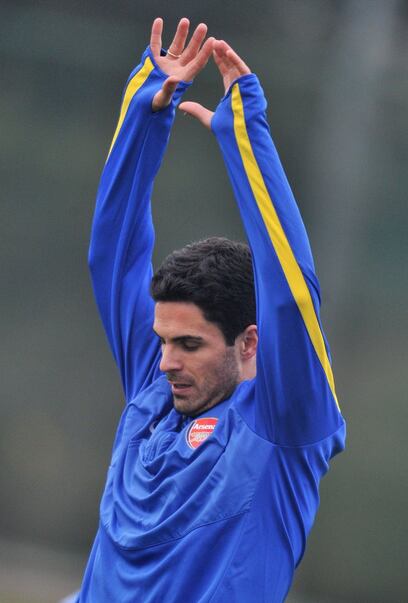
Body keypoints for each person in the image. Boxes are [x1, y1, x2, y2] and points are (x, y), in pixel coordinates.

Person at [74, 17, 346, 603]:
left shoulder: (286, 424)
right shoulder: (154, 385)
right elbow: (112, 255)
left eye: (189, 345)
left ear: (249, 342)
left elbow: (291, 292)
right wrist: (146, 116)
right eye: (164, 340)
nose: (164, 360)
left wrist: (244, 135)